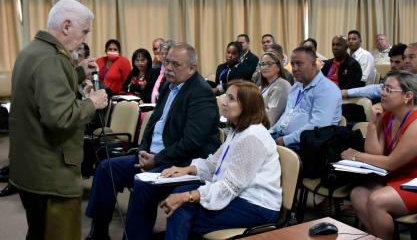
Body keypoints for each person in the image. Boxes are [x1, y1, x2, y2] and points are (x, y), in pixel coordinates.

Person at [85, 43, 221, 239]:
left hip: (181, 162)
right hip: (154, 156)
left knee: (142, 184)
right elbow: (153, 123)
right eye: (167, 63)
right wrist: (142, 151)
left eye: (176, 64)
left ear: (192, 68)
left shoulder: (201, 92)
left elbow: (191, 142)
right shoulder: (168, 85)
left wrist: (156, 160)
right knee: (107, 168)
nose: (169, 68)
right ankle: (98, 232)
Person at [9, 0, 108, 240]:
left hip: (29, 168)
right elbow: (60, 118)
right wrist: (91, 103)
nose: (85, 39)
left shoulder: (32, 50)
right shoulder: (53, 59)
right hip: (53, 173)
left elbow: (43, 91)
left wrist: (77, 71)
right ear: (66, 26)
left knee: (38, 232)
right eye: (84, 31)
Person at [152, 80, 281, 240]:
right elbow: (215, 163)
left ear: (247, 106)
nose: (224, 102)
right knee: (181, 197)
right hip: (240, 195)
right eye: (226, 96)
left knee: (182, 210)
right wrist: (187, 170)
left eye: (231, 99)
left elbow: (230, 186)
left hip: (256, 206)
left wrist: (188, 196)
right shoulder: (238, 129)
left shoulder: (252, 137)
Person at [341, 70, 417, 240]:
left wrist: (355, 155)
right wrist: (373, 124)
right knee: (358, 194)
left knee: (377, 200)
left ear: (408, 96)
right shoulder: (389, 114)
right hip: (405, 175)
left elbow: (390, 163)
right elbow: (374, 153)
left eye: (389, 90)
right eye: (383, 87)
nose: (382, 92)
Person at [270, 46, 342, 149]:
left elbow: (319, 126)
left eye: (299, 64)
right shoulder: (296, 87)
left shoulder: (327, 89)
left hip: (306, 145)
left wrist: (286, 140)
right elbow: (287, 114)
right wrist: (271, 131)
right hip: (283, 138)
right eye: (292, 64)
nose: (294, 69)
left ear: (314, 64)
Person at [342, 43, 407, 101]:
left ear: (406, 61)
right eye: (391, 61)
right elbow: (378, 88)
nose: (392, 65)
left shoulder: (409, 78)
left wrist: (348, 92)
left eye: (397, 62)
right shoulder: (391, 74)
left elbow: (377, 90)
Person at [259, 52, 291, 124]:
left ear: (278, 67)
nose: (264, 67)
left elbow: (271, 118)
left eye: (269, 64)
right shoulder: (264, 86)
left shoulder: (282, 85)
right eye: (262, 64)